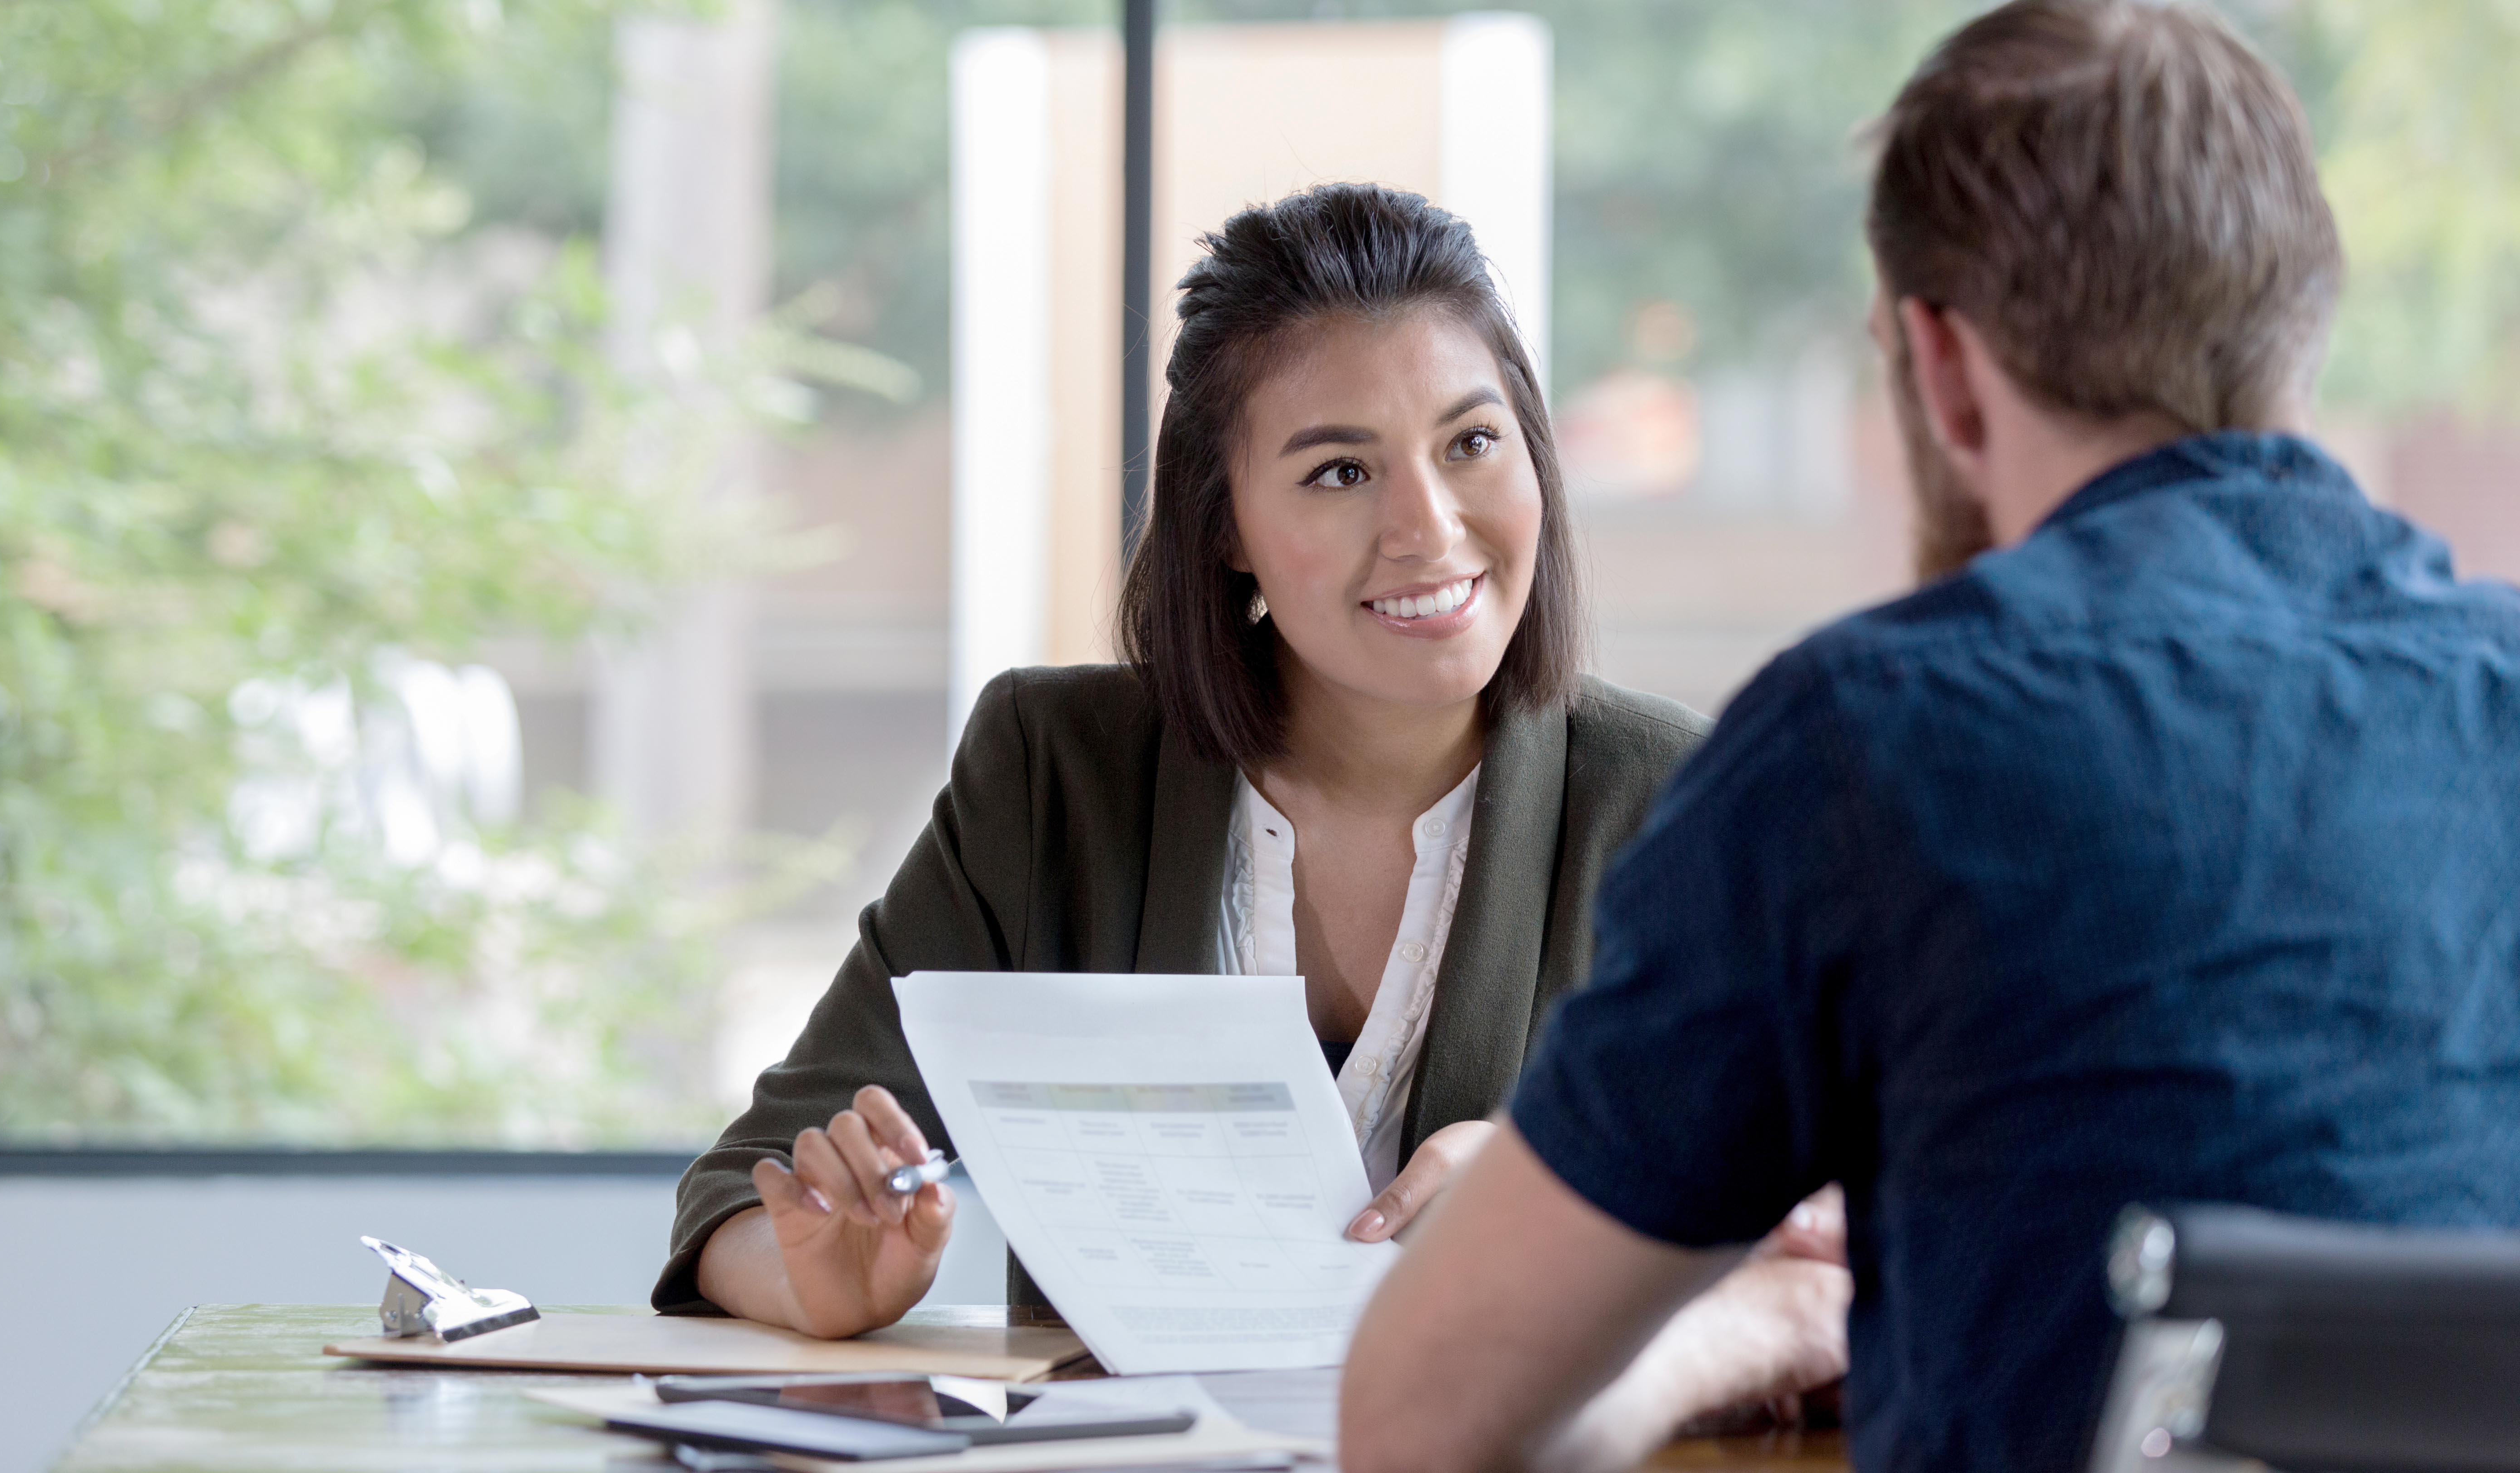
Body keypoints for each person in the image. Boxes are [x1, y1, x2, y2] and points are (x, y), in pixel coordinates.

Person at [1339, 4, 2520, 1472]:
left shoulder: (1870, 747)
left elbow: (1417, 1422)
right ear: (2304, 316)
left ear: (1942, 365)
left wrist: (1757, 1327)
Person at [653, 183, 1847, 1424]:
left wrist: (1572, 1197)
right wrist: (812, 1280)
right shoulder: (1057, 774)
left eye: (1471, 444)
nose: (1428, 528)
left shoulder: (1680, 804)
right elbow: (745, 1188)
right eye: (1339, 472)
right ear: (1226, 526)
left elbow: (1827, 1235)